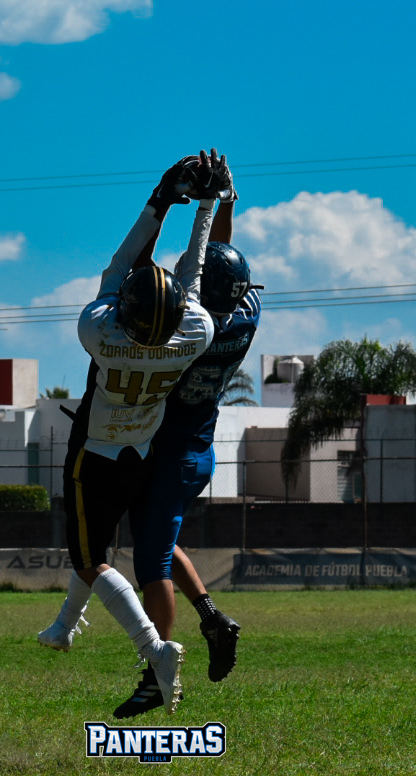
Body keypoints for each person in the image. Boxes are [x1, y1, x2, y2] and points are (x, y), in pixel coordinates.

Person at [38, 150, 232, 716]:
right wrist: (206, 205)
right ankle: (63, 626)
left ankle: (155, 647)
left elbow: (116, 270)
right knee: (97, 543)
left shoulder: (99, 332)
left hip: (95, 450)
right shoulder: (192, 334)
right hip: (140, 452)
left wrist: (158, 203)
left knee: (88, 558)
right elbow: (192, 278)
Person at [114, 190, 261, 718]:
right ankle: (212, 617)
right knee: (159, 541)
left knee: (150, 560)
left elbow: (204, 272)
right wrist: (226, 203)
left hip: (170, 453)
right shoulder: (246, 316)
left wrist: (210, 203)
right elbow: (223, 262)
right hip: (198, 451)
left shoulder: (186, 331)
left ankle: (156, 672)